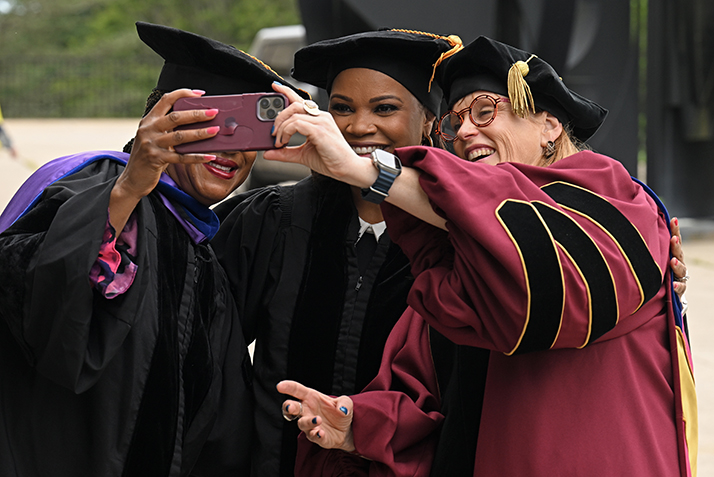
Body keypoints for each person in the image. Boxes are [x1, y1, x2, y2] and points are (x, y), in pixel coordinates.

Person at [270, 36, 698, 476]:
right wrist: (355, 422)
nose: (466, 132)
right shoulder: (464, 254)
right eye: (455, 123)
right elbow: (423, 391)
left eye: (484, 111)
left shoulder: (619, 204)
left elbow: (552, 280)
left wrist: (365, 170)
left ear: (549, 126)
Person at [0, 21, 306, 477]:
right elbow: (29, 289)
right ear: (159, 124)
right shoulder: (94, 185)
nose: (233, 153)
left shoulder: (201, 248)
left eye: (248, 138)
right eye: (215, 128)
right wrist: (126, 191)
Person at [210, 29, 462, 476]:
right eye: (342, 108)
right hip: (277, 462)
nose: (359, 126)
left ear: (428, 120)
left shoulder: (456, 235)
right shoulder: (276, 219)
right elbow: (204, 338)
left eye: (384, 108)